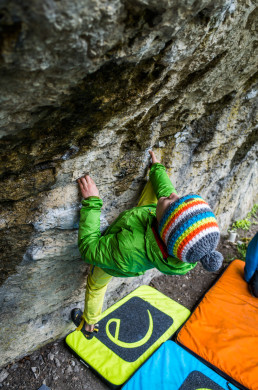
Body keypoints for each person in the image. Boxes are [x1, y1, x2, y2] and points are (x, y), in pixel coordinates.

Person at [72, 150, 223, 338]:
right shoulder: (178, 240)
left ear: (165, 227)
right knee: (158, 193)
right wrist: (156, 168)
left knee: (96, 285)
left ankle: (89, 324)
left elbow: (89, 248)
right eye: (180, 198)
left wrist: (92, 202)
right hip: (144, 223)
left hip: (117, 257)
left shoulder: (127, 249)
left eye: (171, 203)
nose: (173, 195)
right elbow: (167, 191)